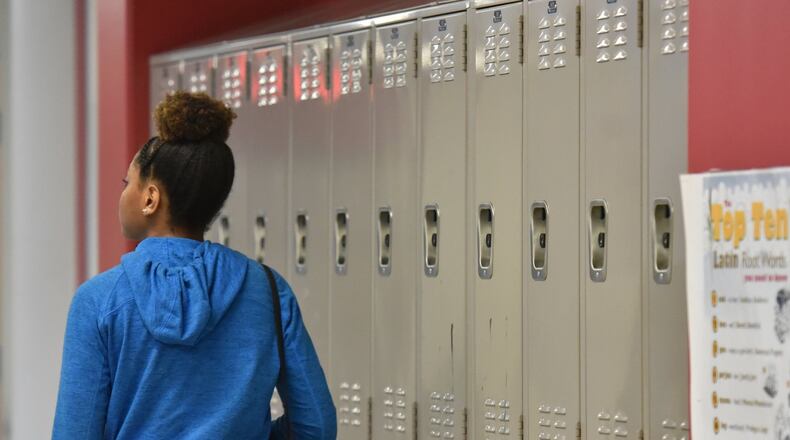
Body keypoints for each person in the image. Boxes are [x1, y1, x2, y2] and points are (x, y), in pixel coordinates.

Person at [53, 92, 336, 439]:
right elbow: (317, 425)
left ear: (150, 198)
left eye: (128, 183)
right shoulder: (269, 292)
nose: (123, 193)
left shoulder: (98, 301)